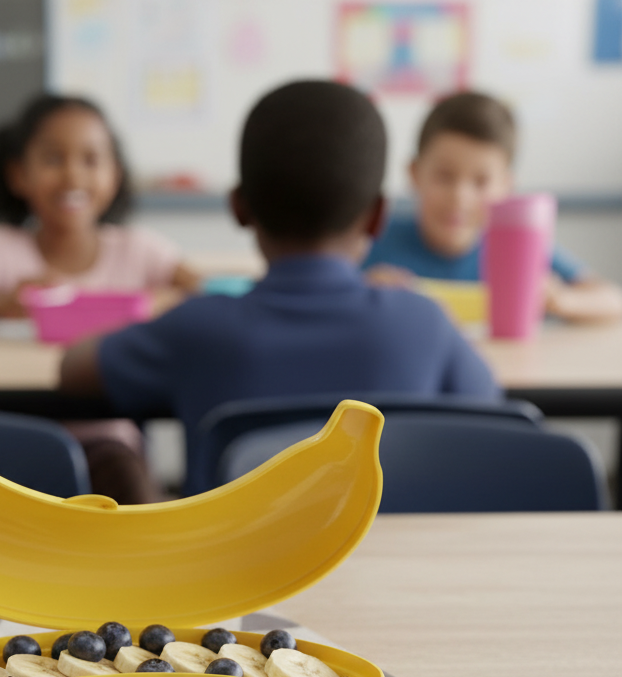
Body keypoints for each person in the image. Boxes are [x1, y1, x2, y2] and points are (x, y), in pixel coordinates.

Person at [60, 80, 500, 494]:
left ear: (239, 208)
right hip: (394, 570)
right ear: (377, 215)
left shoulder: (196, 328)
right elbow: (494, 413)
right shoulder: (422, 323)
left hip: (235, 574)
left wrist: (166, 315)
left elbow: (73, 369)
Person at [364, 91, 622, 324]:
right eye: (444, 177)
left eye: (481, 182)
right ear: (415, 174)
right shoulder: (372, 238)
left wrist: (560, 299)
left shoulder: (520, 251)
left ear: (506, 187)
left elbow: (613, 301)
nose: (460, 197)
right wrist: (361, 292)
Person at [0, 93, 200, 318]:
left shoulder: (139, 250)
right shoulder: (0, 249)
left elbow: (206, 294)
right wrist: (2, 304)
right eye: (53, 159)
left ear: (115, 175)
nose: (73, 176)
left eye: (91, 160)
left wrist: (149, 303)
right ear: (18, 175)